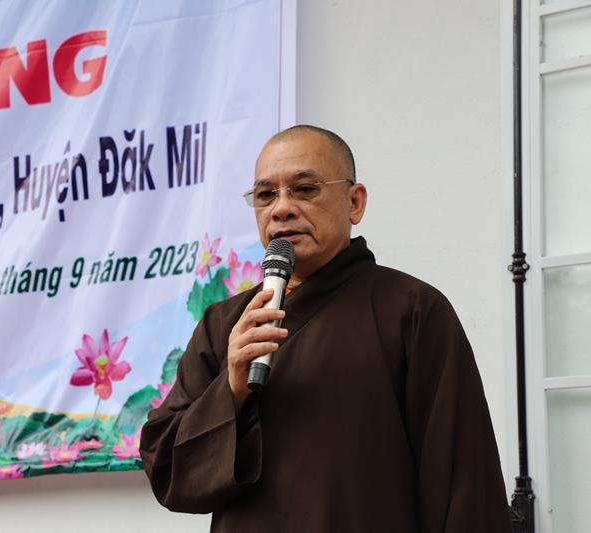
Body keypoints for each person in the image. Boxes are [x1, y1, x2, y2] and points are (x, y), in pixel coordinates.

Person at [139, 125, 513, 532]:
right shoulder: (224, 325)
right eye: (265, 195)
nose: (281, 209)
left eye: (304, 189)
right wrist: (231, 391)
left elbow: (464, 482)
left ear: (354, 202)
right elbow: (168, 471)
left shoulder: (412, 311)